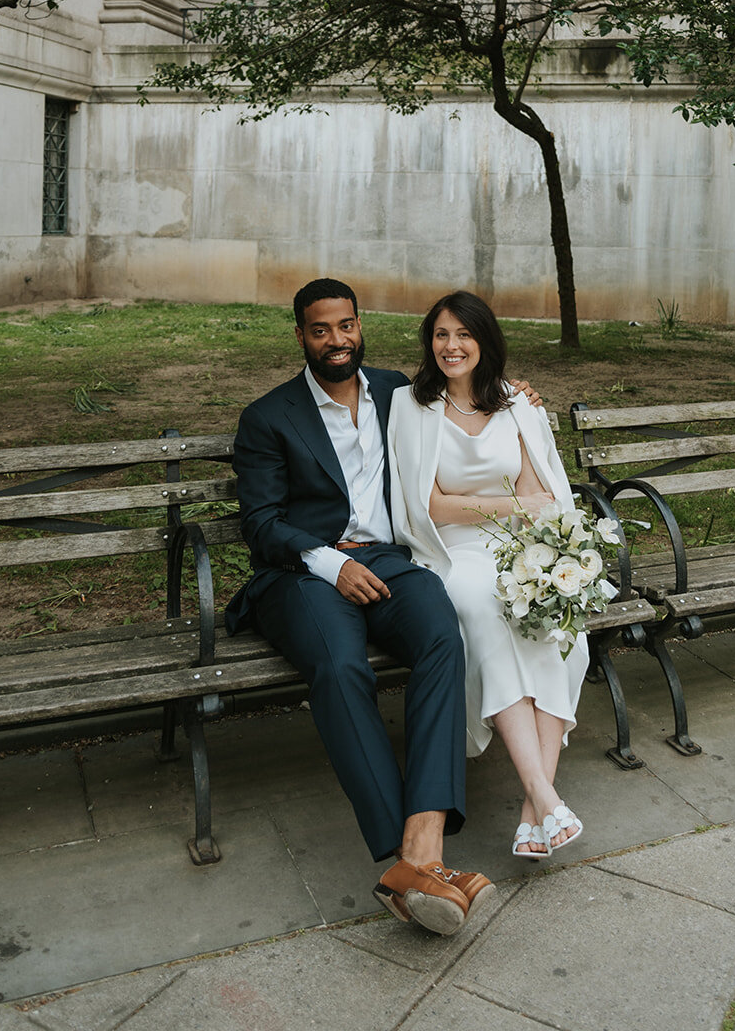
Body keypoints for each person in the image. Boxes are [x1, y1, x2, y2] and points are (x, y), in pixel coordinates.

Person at [224, 278, 540, 934]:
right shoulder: (269, 416)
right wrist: (330, 562)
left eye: (345, 326)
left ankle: (419, 853)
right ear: (301, 336)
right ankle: (413, 863)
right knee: (341, 669)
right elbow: (260, 524)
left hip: (391, 561)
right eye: (320, 329)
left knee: (439, 635)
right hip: (304, 573)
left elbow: (470, 392)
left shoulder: (399, 391)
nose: (336, 340)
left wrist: (517, 399)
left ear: (359, 325)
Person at [387, 290, 590, 860]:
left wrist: (495, 506)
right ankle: (544, 797)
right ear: (430, 343)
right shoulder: (411, 406)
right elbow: (429, 506)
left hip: (520, 547)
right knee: (481, 607)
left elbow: (543, 491)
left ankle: (537, 808)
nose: (452, 346)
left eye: (464, 335)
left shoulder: (516, 404)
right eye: (441, 335)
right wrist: (509, 505)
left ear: (485, 341)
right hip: (451, 552)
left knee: (563, 636)